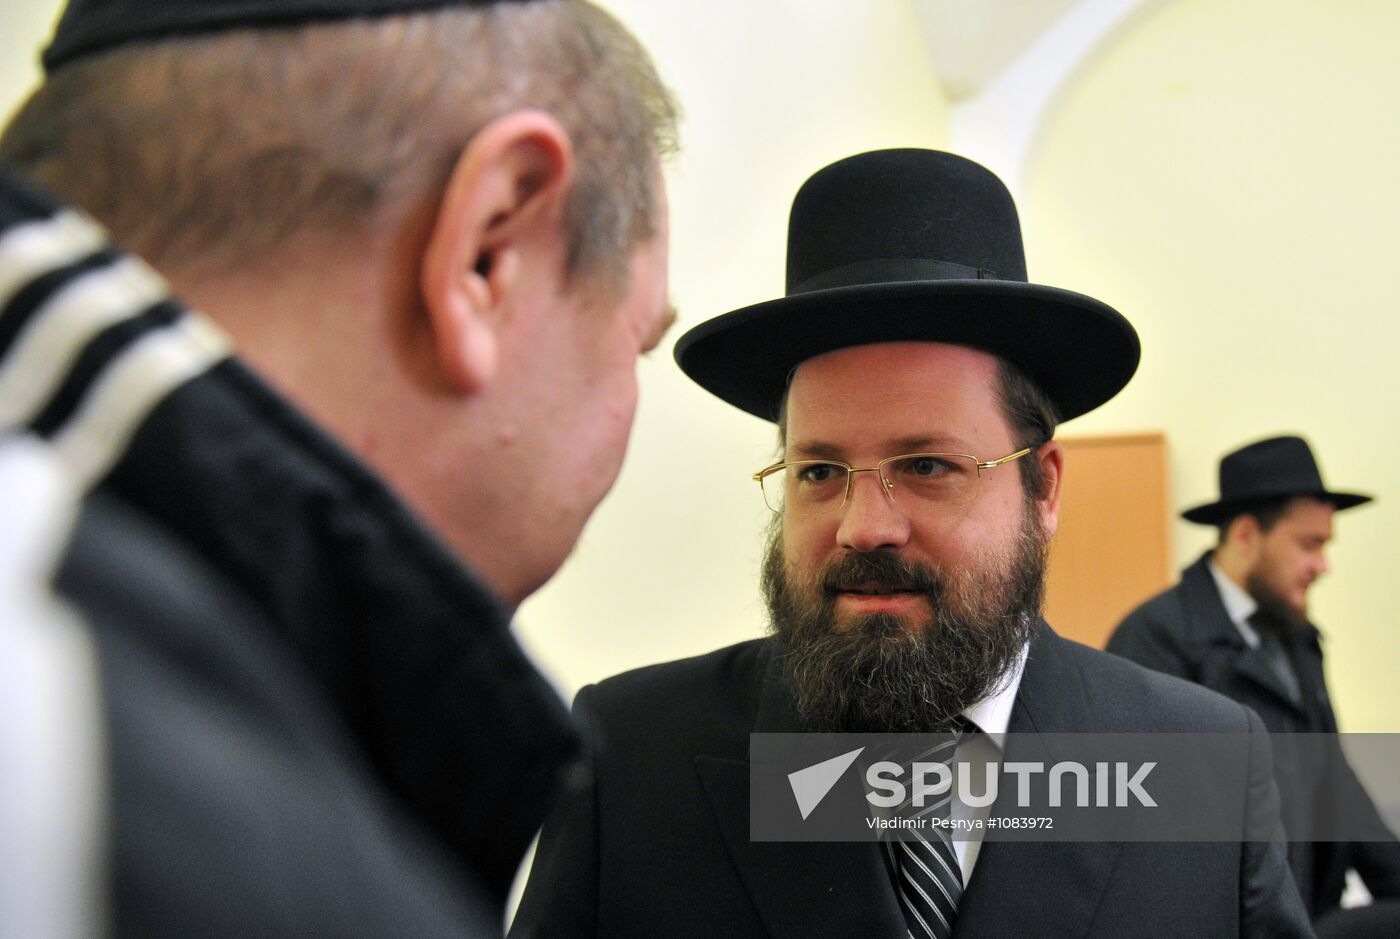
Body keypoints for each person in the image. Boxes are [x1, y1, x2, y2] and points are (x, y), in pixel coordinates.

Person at [510, 148, 1311, 937]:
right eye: (819, 470)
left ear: (1045, 486)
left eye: (927, 465)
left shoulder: (1203, 758)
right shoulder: (634, 758)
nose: (863, 526)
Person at [0, 0, 675, 934]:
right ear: (488, 251)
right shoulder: (114, 783)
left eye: (930, 464)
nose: (864, 521)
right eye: (637, 342)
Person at [1108, 435, 1400, 931]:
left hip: (1310, 915)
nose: (1322, 566)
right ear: (1245, 535)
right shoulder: (1154, 642)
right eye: (1310, 544)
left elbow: (1334, 779)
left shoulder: (1296, 634)